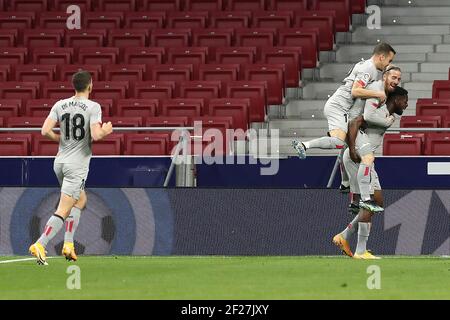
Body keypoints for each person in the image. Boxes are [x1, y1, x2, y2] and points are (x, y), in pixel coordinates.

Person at [29, 71, 113, 265]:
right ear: (90, 85)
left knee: (80, 199)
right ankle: (40, 244)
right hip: (76, 165)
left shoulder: (60, 104)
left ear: (74, 86)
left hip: (59, 162)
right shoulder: (93, 107)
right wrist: (106, 131)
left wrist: (59, 139)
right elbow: (97, 135)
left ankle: (68, 245)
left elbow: (44, 131)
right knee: (64, 208)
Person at [292, 43, 396, 192]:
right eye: (389, 60)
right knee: (338, 143)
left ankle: (345, 183)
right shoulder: (369, 69)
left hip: (342, 108)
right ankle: (304, 145)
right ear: (382, 56)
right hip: (337, 107)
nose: (388, 64)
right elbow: (355, 91)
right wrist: (378, 94)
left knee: (346, 145)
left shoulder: (365, 65)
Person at [333, 85, 409, 259]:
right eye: (405, 101)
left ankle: (345, 236)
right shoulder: (376, 111)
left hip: (363, 158)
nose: (406, 105)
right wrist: (352, 149)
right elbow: (355, 122)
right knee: (372, 202)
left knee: (376, 202)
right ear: (396, 100)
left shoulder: (387, 116)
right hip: (358, 157)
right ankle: (359, 250)